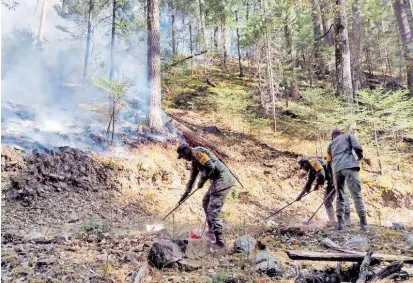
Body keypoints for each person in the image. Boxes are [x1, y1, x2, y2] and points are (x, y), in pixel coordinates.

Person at [177, 144, 236, 248]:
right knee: (206, 201)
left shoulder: (197, 152)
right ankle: (211, 231)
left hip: (223, 179)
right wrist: (183, 197)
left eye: (183, 156)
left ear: (186, 151)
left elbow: (210, 166)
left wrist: (202, 181)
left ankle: (220, 241)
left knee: (212, 209)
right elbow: (191, 179)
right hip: (218, 180)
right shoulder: (194, 161)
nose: (184, 159)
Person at [326, 128, 369, 231]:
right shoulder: (349, 136)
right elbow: (357, 147)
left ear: (333, 136)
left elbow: (328, 163)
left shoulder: (330, 145)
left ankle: (340, 223)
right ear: (341, 133)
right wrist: (359, 157)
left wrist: (332, 175)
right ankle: (364, 224)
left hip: (336, 169)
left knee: (339, 196)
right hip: (350, 166)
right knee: (356, 195)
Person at [296, 158, 337, 225]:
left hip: (336, 177)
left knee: (328, 201)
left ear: (305, 164)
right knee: (327, 201)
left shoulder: (314, 162)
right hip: (332, 180)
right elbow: (308, 185)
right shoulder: (311, 170)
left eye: (302, 167)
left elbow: (321, 174)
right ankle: (333, 221)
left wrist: (317, 184)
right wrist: (299, 196)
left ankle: (334, 222)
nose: (303, 169)